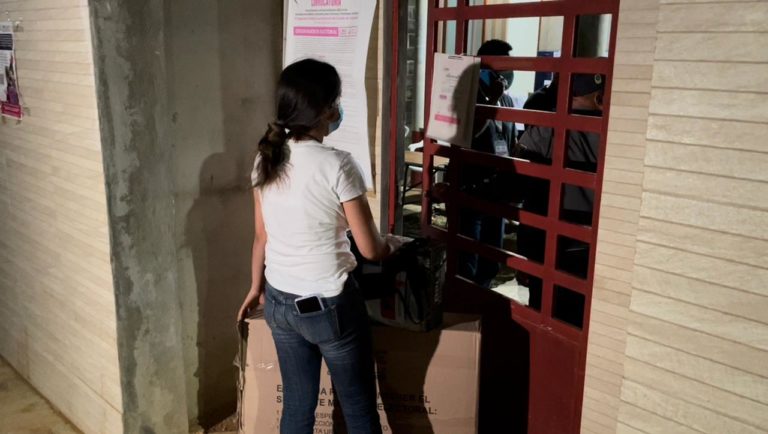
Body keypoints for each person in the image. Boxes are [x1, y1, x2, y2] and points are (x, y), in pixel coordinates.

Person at [237, 59, 400, 434]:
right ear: (326, 109)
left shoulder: (266, 158)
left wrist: (256, 287)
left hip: (279, 302)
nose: (339, 108)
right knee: (359, 412)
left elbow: (261, 235)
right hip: (330, 305)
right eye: (337, 100)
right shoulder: (338, 165)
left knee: (297, 408)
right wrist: (392, 245)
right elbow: (371, 250)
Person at [515, 73, 604, 309]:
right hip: (592, 250)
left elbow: (513, 182)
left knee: (542, 309)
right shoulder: (616, 137)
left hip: (547, 248)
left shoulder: (546, 131)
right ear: (599, 98)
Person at [456, 39, 516, 289]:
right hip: (470, 188)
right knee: (467, 258)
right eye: (503, 66)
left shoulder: (508, 100)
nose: (508, 73)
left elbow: (509, 141)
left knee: (492, 258)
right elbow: (464, 135)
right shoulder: (467, 93)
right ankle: (465, 301)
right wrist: (490, 101)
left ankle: (484, 295)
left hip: (497, 190)